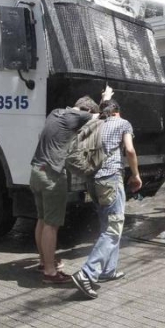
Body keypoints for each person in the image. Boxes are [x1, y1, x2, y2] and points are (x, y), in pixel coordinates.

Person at [71, 99, 142, 299]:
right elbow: (129, 150)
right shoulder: (123, 123)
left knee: (107, 224)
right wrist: (136, 175)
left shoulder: (95, 124)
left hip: (92, 180)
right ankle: (87, 273)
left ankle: (108, 270)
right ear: (118, 111)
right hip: (110, 179)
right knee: (113, 228)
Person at [29, 93, 103, 284]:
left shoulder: (55, 113)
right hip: (53, 175)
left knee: (42, 219)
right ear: (86, 110)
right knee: (51, 225)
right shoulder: (78, 116)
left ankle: (43, 261)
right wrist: (106, 98)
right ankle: (50, 272)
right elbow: (101, 116)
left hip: (36, 171)